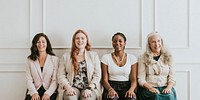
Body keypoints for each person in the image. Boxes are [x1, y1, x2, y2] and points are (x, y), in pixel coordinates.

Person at [57, 29, 102, 100]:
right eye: (77, 38)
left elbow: (97, 75)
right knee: (70, 98)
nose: (80, 40)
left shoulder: (94, 56)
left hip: (89, 87)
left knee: (87, 99)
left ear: (86, 40)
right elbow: (61, 75)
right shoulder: (66, 56)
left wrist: (89, 88)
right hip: (72, 87)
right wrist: (68, 87)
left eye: (82, 38)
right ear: (74, 41)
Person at [137, 32, 177, 100]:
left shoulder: (169, 56)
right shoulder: (142, 58)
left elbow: (172, 77)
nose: (157, 44)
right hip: (148, 88)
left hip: (165, 87)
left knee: (169, 96)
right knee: (156, 97)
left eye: (158, 41)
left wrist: (168, 88)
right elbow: (141, 79)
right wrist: (150, 88)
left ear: (162, 42)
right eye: (153, 42)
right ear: (149, 44)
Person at [101, 32, 137, 100]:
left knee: (131, 98)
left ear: (125, 43)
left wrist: (131, 90)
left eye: (120, 41)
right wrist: (110, 89)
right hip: (111, 86)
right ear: (112, 43)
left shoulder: (132, 58)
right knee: (112, 98)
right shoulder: (106, 58)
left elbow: (134, 79)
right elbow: (104, 80)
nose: (117, 43)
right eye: (115, 41)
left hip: (127, 86)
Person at [25, 33, 59, 100]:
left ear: (47, 44)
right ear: (35, 44)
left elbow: (55, 80)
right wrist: (34, 93)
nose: (41, 44)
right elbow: (28, 79)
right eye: (38, 42)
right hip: (34, 90)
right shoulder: (29, 60)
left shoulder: (55, 59)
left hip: (50, 91)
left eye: (43, 42)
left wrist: (48, 93)